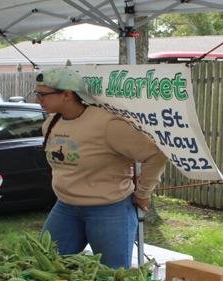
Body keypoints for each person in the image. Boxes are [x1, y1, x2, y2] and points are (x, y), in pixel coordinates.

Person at [31, 67, 164, 269]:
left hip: (110, 209)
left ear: (67, 95)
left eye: (43, 95)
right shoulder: (51, 122)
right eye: (37, 94)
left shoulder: (107, 124)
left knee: (111, 276)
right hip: (66, 206)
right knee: (44, 268)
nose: (37, 100)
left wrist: (144, 192)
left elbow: (156, 154)